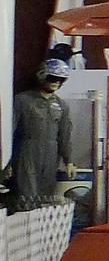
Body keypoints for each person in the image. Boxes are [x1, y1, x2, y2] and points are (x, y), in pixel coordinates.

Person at [5, 59, 74, 212]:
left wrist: (69, 160)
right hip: (26, 153)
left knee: (45, 197)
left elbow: (64, 134)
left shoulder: (62, 106)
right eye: (52, 77)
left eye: (61, 79)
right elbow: (8, 131)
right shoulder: (22, 100)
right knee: (26, 195)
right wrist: (6, 162)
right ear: (42, 76)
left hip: (51, 156)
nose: (56, 82)